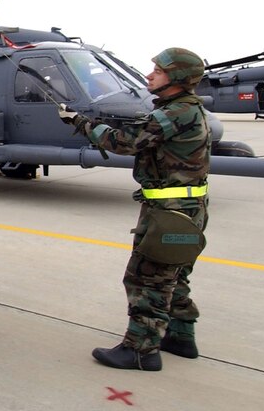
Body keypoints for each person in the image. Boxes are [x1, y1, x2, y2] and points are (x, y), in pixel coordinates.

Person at [58, 47, 211, 371]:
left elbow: (128, 142)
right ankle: (181, 336)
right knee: (174, 275)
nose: (150, 74)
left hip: (170, 212)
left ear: (178, 79)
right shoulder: (184, 109)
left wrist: (81, 123)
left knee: (146, 279)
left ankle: (141, 350)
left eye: (158, 71)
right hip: (184, 209)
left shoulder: (175, 112)